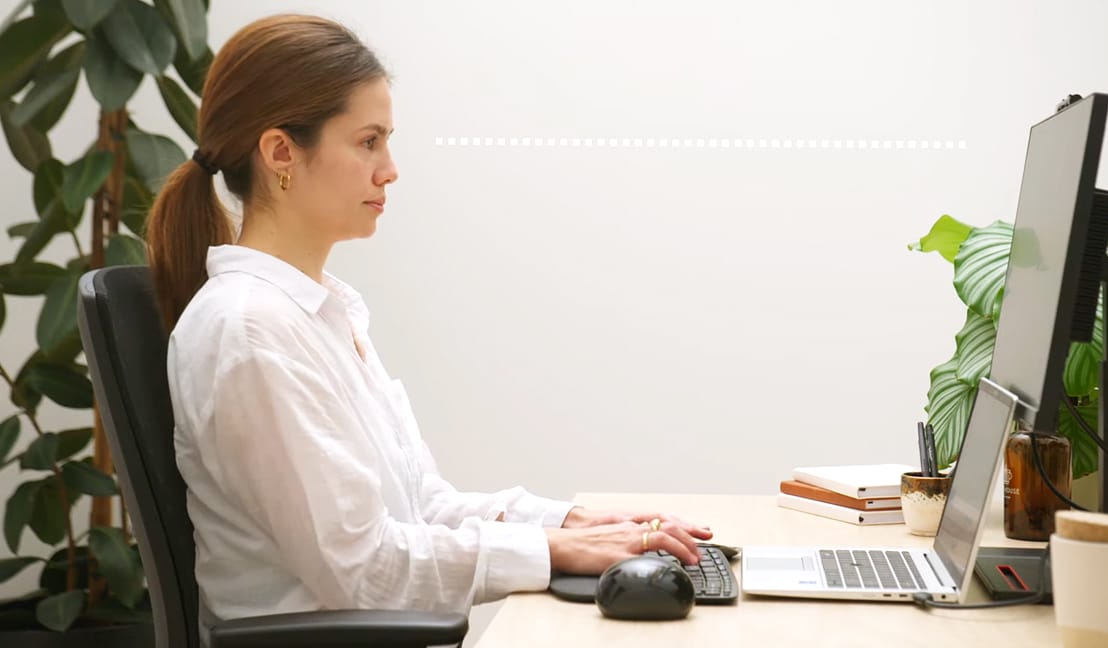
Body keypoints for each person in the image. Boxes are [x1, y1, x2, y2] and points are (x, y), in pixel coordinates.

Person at [145, 14, 712, 626]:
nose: (389, 169)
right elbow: (362, 569)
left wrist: (573, 524)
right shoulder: (250, 330)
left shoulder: (319, 314)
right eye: (368, 142)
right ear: (281, 152)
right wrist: (555, 551)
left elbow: (419, 506)